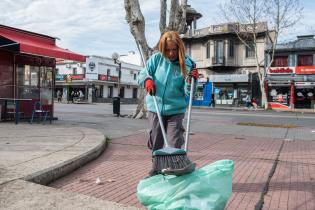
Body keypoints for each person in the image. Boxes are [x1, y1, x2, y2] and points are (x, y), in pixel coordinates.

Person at [138, 31, 198, 176]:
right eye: (167, 50)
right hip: (155, 107)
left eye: (174, 49)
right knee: (156, 140)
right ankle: (156, 168)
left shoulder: (188, 64)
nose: (171, 53)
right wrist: (147, 80)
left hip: (175, 110)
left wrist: (191, 82)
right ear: (163, 48)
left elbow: (189, 94)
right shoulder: (156, 59)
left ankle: (176, 168)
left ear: (180, 48)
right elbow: (142, 75)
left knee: (174, 142)